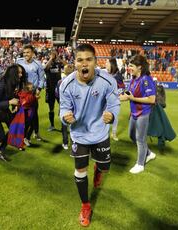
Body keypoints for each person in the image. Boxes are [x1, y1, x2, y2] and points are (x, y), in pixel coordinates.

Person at [59, 44, 120, 227]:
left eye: (89, 59)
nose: (84, 64)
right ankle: (85, 205)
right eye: (80, 60)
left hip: (100, 132)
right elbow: (63, 108)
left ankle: (99, 170)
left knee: (105, 166)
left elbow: (114, 104)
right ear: (75, 63)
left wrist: (112, 115)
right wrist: (65, 117)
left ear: (95, 62)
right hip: (79, 134)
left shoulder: (108, 81)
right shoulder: (67, 85)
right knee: (80, 170)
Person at [120, 54, 156, 174]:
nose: (129, 68)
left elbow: (151, 99)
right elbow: (128, 96)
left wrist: (133, 98)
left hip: (144, 113)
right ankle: (149, 153)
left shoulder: (146, 79)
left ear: (139, 67)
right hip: (134, 112)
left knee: (140, 139)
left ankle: (140, 164)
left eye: (131, 66)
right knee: (131, 135)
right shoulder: (133, 79)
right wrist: (114, 98)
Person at [0, 64, 27, 161]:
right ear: (13, 73)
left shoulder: (12, 82)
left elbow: (9, 96)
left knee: (13, 129)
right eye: (19, 73)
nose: (21, 75)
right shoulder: (2, 83)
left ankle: (0, 151)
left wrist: (15, 104)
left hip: (1, 110)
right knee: (1, 135)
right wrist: (9, 102)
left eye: (21, 73)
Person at [16, 44, 45, 141]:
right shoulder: (18, 62)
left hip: (32, 93)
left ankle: (35, 133)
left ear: (32, 53)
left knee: (33, 114)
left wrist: (39, 90)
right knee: (20, 114)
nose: (25, 54)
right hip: (21, 93)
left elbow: (41, 79)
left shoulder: (38, 64)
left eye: (28, 52)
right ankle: (21, 134)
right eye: (24, 52)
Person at [44, 49, 67, 131]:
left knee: (63, 106)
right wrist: (51, 59)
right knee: (51, 107)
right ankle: (52, 125)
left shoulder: (59, 63)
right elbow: (45, 68)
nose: (54, 55)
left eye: (55, 54)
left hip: (59, 88)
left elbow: (67, 66)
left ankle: (63, 125)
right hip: (50, 89)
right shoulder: (47, 63)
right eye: (52, 54)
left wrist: (59, 58)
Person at [106, 57, 125, 141]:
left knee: (115, 118)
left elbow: (122, 88)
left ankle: (113, 134)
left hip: (114, 102)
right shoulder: (107, 74)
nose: (106, 64)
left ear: (111, 64)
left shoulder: (117, 75)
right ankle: (104, 133)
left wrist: (116, 95)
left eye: (107, 63)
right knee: (105, 117)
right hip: (106, 101)